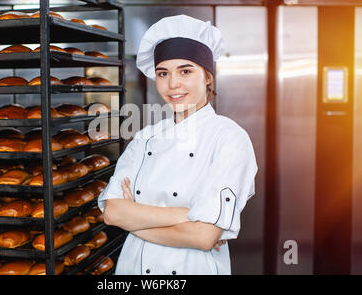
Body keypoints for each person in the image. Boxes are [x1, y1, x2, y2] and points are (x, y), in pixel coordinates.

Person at [97, 14, 258, 275]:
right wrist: (187, 214)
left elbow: (203, 236)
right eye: (163, 73)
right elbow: (113, 213)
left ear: (208, 77)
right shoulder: (145, 138)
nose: (173, 84)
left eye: (185, 71)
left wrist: (134, 218)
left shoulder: (229, 138)